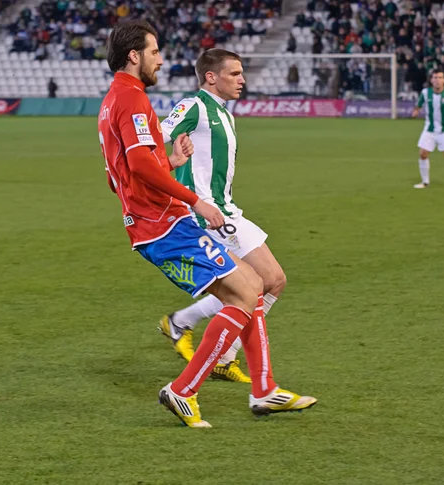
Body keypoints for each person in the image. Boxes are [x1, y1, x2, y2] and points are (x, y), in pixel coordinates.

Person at [98, 21, 316, 428]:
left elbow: (119, 174)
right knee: (250, 289)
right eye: (155, 51)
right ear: (135, 55)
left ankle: (262, 388)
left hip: (159, 219)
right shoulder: (132, 99)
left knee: (252, 287)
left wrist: (170, 163)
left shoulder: (114, 101)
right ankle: (185, 387)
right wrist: (194, 197)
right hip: (165, 222)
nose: (160, 59)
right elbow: (140, 164)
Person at [158, 47, 293, 385]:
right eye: (234, 73)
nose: (242, 79)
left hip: (226, 208)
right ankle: (217, 353)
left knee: (262, 284)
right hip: (207, 213)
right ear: (211, 77)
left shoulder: (225, 113)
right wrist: (173, 162)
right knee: (268, 280)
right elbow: (153, 140)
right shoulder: (194, 106)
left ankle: (183, 323)